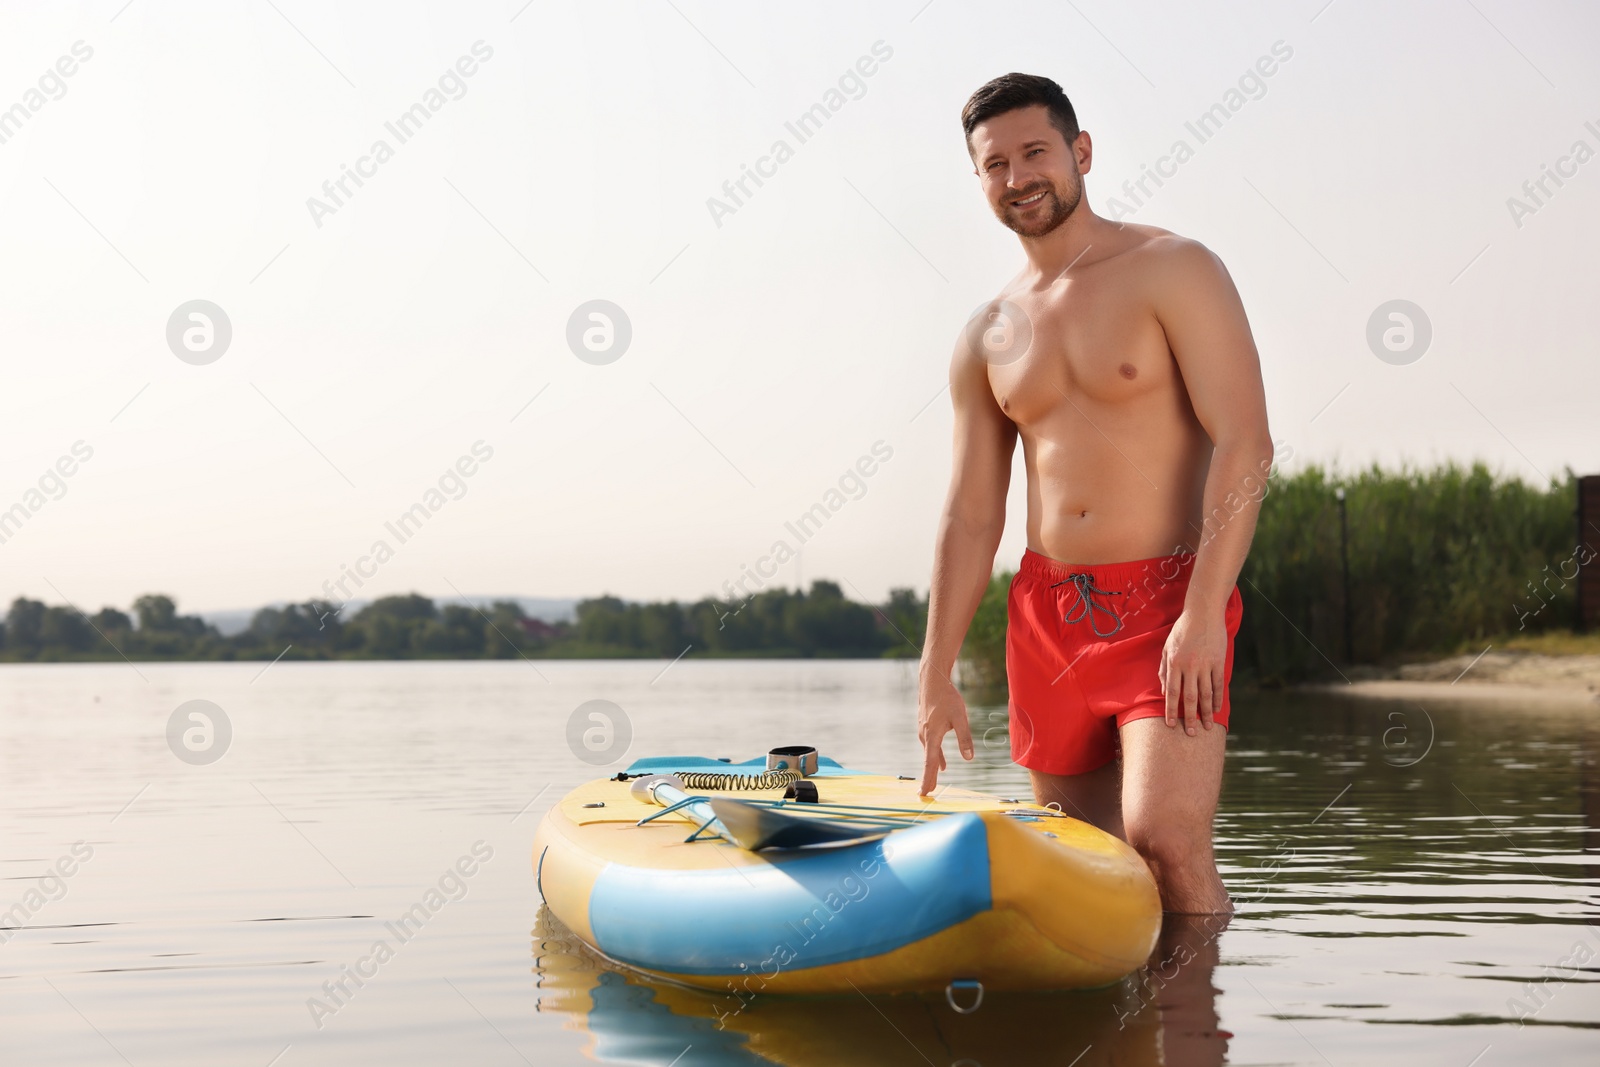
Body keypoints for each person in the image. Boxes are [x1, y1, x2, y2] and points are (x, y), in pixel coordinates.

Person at [916, 73, 1275, 915]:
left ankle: (1197, 1038)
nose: (1018, 176)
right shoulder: (988, 333)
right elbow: (971, 514)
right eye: (995, 163)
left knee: (1166, 839)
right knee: (1091, 872)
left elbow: (1245, 441)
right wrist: (935, 669)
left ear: (1080, 152)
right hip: (1048, 618)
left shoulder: (1173, 268)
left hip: (1165, 599)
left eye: (1034, 151)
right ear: (980, 182)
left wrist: (1203, 611)